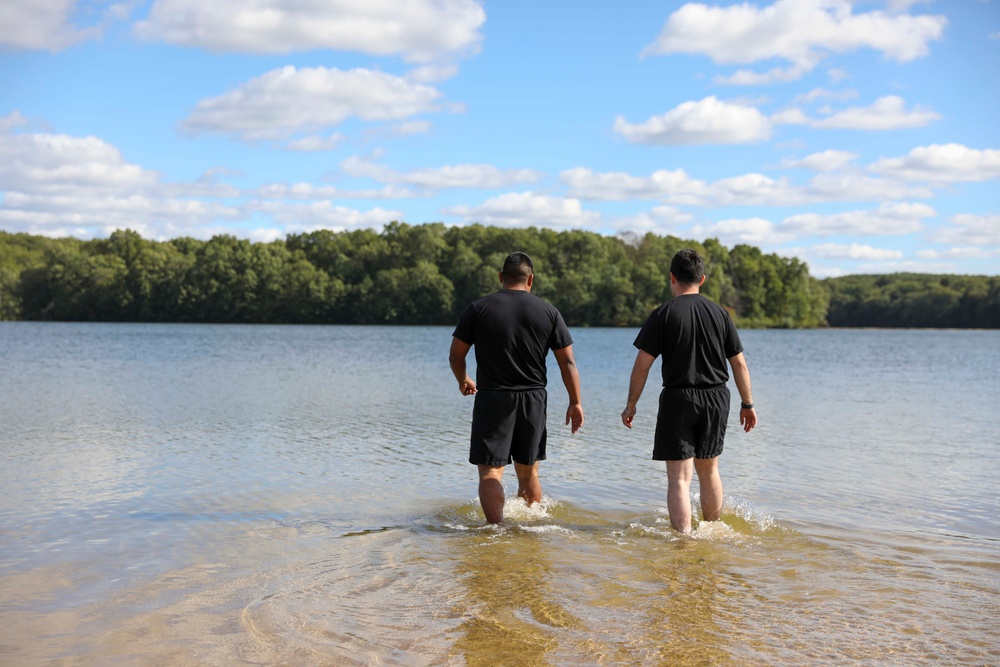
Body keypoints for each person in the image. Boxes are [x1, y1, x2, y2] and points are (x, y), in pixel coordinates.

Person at [621, 249, 757, 534]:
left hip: (678, 398)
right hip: (716, 397)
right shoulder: (721, 314)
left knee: (679, 479)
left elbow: (642, 366)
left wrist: (631, 405)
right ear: (702, 279)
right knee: (709, 472)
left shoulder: (663, 314)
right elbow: (739, 364)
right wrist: (748, 403)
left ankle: (684, 540)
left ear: (672, 278)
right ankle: (712, 530)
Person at [449, 251, 584, 524]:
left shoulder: (478, 309)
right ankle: (530, 530)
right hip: (533, 400)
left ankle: (495, 530)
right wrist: (575, 401)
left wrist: (462, 379)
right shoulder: (549, 312)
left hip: (493, 398)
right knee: (529, 473)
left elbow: (456, 355)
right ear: (530, 279)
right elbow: (568, 363)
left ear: (501, 277)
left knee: (490, 472)